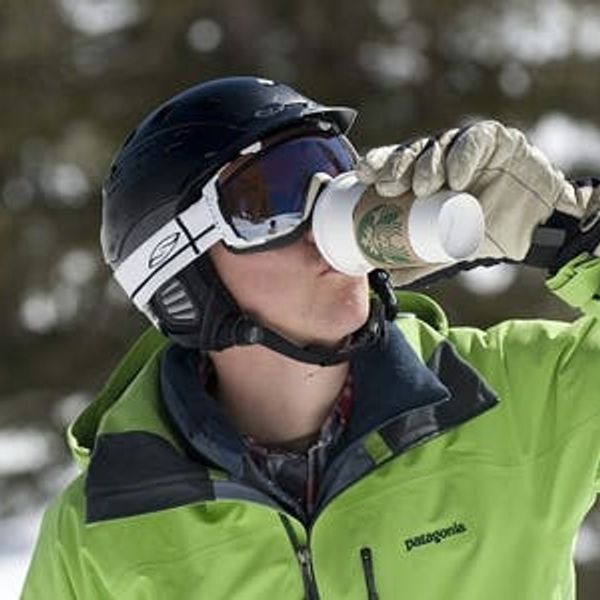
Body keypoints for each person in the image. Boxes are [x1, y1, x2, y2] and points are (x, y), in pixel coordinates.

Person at [21, 76, 600, 600]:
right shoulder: (98, 536)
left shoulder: (517, 401)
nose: (323, 220)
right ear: (183, 281)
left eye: (335, 169)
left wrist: (573, 229)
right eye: (270, 198)